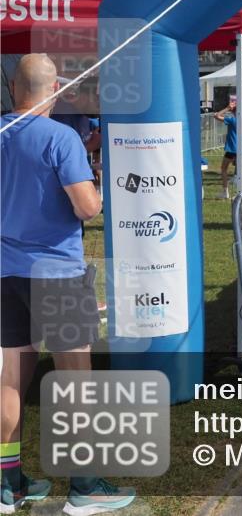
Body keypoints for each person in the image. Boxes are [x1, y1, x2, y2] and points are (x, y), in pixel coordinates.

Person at [1, 55, 135, 514]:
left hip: (7, 272)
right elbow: (87, 207)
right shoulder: (61, 137)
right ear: (54, 91)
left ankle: (9, 485)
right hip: (56, 272)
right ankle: (85, 486)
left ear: (14, 88)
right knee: (76, 380)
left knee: (12, 379)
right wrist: (96, 190)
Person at [214, 95, 242, 198]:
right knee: (240, 168)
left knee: (224, 168)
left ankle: (225, 191)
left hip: (233, 148)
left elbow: (216, 115)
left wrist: (227, 108)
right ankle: (239, 187)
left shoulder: (232, 120)